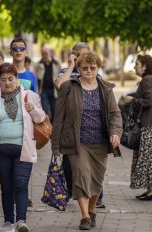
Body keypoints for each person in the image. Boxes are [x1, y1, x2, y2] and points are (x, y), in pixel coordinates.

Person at [51, 52, 122, 230]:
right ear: (79, 69)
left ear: (98, 68)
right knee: (81, 175)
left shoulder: (105, 88)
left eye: (92, 67)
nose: (89, 71)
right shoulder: (68, 87)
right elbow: (59, 117)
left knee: (96, 180)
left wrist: (115, 133)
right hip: (77, 141)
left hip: (100, 141)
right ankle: (84, 216)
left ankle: (92, 211)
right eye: (85, 67)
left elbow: (114, 113)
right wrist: (56, 144)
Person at [0, 63, 45, 232]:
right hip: (1, 150)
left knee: (21, 185)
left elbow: (41, 119)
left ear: (17, 79)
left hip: (24, 148)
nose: (7, 82)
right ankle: (8, 222)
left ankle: (21, 221)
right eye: (3, 79)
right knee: (6, 187)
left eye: (11, 79)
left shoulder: (29, 96)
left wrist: (32, 110)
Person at [55, 42, 106, 208]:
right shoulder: (66, 72)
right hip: (74, 133)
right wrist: (71, 66)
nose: (86, 63)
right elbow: (60, 85)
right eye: (79, 55)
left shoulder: (95, 74)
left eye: (87, 55)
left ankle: (94, 200)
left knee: (94, 172)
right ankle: (82, 205)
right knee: (78, 170)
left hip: (97, 136)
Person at [124, 54, 152, 201]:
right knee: (149, 157)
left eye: (137, 64)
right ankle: (151, 189)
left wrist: (132, 100)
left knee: (148, 158)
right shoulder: (150, 79)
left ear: (145, 66)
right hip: (151, 123)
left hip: (150, 124)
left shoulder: (147, 80)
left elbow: (148, 101)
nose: (135, 66)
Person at [35, 45, 62, 121]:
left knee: (55, 110)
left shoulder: (57, 63)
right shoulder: (38, 64)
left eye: (46, 53)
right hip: (44, 90)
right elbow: (35, 78)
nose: (45, 55)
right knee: (45, 110)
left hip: (55, 90)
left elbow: (61, 75)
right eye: (43, 53)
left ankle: (55, 128)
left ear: (51, 53)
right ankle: (47, 128)